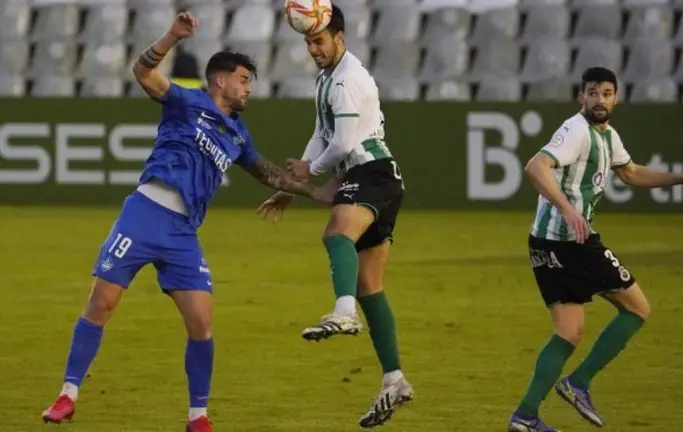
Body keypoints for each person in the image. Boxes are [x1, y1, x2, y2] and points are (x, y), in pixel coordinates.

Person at [41, 12, 330, 432]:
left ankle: (198, 418)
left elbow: (265, 171)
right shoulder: (185, 100)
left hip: (182, 233)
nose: (249, 87)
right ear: (221, 80)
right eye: (244, 79)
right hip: (143, 213)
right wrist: (173, 36)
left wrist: (309, 193)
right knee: (101, 303)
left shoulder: (237, 134)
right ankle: (67, 395)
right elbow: (142, 72)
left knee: (201, 321)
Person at [508, 67, 683, 432]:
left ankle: (525, 417)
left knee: (569, 332)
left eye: (606, 93)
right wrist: (569, 209)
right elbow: (535, 166)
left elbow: (631, 173)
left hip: (547, 242)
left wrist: (682, 178)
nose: (599, 100)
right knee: (637, 308)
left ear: (616, 98)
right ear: (581, 97)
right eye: (592, 92)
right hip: (570, 241)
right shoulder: (576, 131)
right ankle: (577, 383)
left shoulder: (607, 136)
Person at [256, 5, 412, 429]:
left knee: (336, 233)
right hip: (377, 177)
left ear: (340, 37)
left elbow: (342, 144)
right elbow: (321, 136)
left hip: (371, 171)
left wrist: (313, 170)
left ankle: (343, 313)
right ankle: (394, 379)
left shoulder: (346, 79)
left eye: (319, 41)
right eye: (308, 42)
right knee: (370, 286)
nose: (313, 49)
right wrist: (290, 188)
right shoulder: (328, 78)